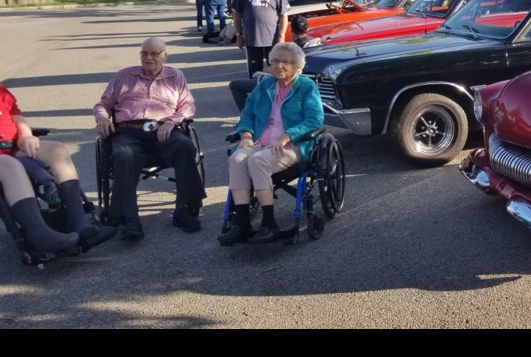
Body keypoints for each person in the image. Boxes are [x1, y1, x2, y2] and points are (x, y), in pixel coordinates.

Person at [93, 37, 206, 240]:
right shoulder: (124, 75)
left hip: (164, 129)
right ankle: (130, 219)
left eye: (154, 53)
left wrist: (173, 121)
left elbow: (188, 106)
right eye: (145, 53)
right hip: (128, 130)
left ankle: (183, 209)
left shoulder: (176, 76)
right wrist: (102, 119)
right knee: (124, 154)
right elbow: (103, 105)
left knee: (185, 146)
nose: (149, 57)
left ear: (165, 56)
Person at [218, 42, 324, 246]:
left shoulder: (306, 86)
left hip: (291, 146)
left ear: (298, 66)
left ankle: (269, 223)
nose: (279, 66)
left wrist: (287, 136)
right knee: (237, 159)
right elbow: (247, 113)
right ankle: (242, 224)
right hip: (259, 141)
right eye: (275, 61)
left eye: (286, 62)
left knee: (258, 161)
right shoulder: (265, 85)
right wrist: (246, 135)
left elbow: (315, 120)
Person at [1, 84, 115, 255]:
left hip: (12, 146)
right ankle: (40, 234)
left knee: (57, 150)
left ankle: (78, 221)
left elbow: (15, 114)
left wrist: (25, 134)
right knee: (11, 166)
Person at [232, 0, 291, 79]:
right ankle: (256, 93)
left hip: (273, 40)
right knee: (255, 73)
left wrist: (281, 36)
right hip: (253, 40)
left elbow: (284, 15)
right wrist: (239, 35)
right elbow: (237, 14)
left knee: (276, 70)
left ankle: (275, 93)